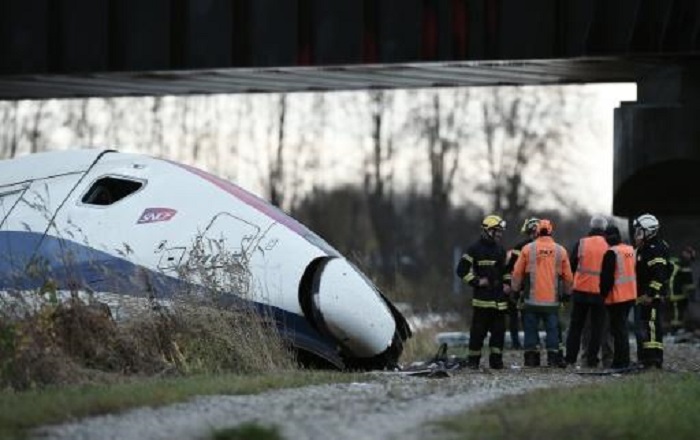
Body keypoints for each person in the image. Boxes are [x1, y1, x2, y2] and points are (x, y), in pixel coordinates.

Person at [512, 219, 573, 367]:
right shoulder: (560, 250)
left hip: (531, 301)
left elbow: (517, 274)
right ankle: (553, 359)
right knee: (552, 329)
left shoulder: (527, 249)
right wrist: (566, 295)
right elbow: (568, 278)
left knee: (530, 329)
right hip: (552, 302)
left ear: (537, 231)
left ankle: (531, 359)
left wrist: (514, 291)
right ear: (551, 231)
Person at [455, 214, 510, 369]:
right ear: (487, 230)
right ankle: (473, 362)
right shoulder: (474, 249)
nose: (499, 234)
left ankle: (496, 362)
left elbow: (505, 271)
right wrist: (477, 281)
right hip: (482, 302)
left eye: (500, 232)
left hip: (499, 302)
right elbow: (461, 270)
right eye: (497, 231)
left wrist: (507, 283)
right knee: (477, 334)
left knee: (499, 335)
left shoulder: (501, 250)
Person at [565, 215, 609, 367]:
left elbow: (571, 266)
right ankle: (591, 360)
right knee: (597, 328)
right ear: (604, 229)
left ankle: (570, 359)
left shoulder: (581, 243)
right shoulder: (609, 245)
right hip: (600, 293)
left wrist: (568, 288)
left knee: (576, 327)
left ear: (591, 227)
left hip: (580, 291)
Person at [633, 213, 670, 368]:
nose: (637, 235)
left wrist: (650, 294)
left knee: (652, 327)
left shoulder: (656, 248)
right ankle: (646, 359)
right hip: (643, 296)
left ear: (649, 231)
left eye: (640, 231)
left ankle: (654, 360)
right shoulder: (645, 248)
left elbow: (659, 275)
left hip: (652, 297)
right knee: (646, 327)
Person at [599, 224, 636, 369]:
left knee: (618, 330)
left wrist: (603, 294)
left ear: (606, 238)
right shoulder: (630, 250)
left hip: (617, 298)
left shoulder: (611, 253)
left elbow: (606, 278)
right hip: (630, 296)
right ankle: (623, 360)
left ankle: (621, 362)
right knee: (622, 329)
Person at [505, 217, 540, 349]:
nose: (534, 235)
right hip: (519, 287)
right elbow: (510, 268)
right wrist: (509, 284)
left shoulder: (547, 248)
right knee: (514, 316)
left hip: (535, 288)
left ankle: (532, 342)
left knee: (531, 317)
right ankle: (516, 343)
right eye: (532, 233)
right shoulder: (519, 247)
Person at [667, 246, 696, 334]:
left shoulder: (674, 260)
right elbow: (688, 282)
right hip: (677, 292)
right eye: (690, 256)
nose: (690, 259)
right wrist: (692, 294)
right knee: (677, 313)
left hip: (671, 291)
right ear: (685, 253)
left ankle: (677, 329)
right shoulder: (684, 264)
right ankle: (675, 330)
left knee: (676, 312)